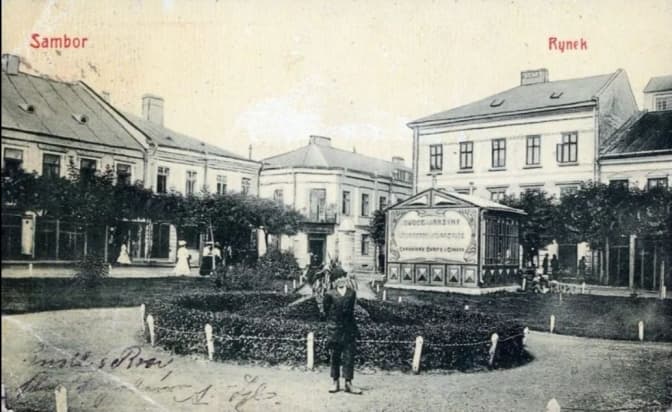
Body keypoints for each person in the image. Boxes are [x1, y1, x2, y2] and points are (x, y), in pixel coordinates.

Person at [323, 277, 361, 395]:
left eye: (342, 278)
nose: (340, 280)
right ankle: (335, 382)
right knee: (335, 356)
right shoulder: (329, 294)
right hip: (335, 330)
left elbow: (351, 311)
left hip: (349, 329)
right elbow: (326, 311)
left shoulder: (351, 293)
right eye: (337, 278)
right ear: (334, 281)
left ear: (346, 279)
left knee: (349, 357)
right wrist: (332, 324)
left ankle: (348, 383)